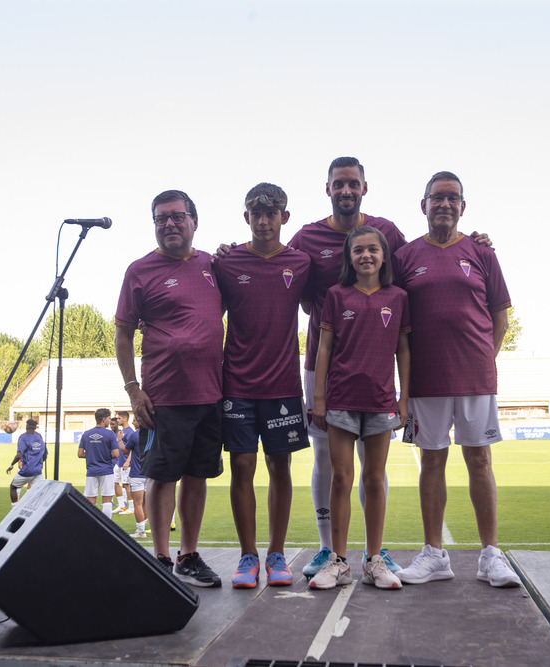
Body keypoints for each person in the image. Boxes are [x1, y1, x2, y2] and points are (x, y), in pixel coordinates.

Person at [393, 171, 521, 589]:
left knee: (480, 460)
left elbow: (501, 316)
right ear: (423, 205)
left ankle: (490, 555)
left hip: (475, 377)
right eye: (437, 197)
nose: (444, 204)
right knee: (431, 460)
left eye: (452, 198)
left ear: (463, 207)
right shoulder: (406, 256)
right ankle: (434, 554)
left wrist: (485, 358)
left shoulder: (481, 252)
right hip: (425, 380)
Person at [115, 189, 224, 588]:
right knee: (164, 477)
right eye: (161, 218)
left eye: (178, 216)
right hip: (164, 397)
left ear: (194, 221)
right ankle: (160, 558)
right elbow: (123, 333)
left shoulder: (214, 265)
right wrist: (132, 389)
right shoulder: (139, 271)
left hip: (211, 394)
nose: (170, 224)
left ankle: (188, 556)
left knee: (198, 476)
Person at [213, 183, 312, 588]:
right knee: (241, 466)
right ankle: (247, 556)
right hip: (236, 382)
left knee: (280, 467)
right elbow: (205, 314)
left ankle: (276, 553)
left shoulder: (302, 263)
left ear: (285, 217)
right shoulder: (227, 262)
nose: (264, 220)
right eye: (256, 212)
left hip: (284, 385)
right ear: (246, 217)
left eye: (272, 213)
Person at [308, 226, 410, 590]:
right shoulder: (336, 295)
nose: (366, 255)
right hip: (341, 401)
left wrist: (403, 398)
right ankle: (338, 561)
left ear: (384, 256)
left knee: (374, 480)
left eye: (373, 250)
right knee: (341, 478)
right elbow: (323, 349)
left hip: (381, 402)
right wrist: (319, 398)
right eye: (358, 251)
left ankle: (374, 559)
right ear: (349, 258)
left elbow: (404, 350)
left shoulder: (398, 297)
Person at [78, 409, 119, 515]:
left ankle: (91, 526)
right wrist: (105, 455)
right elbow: (116, 454)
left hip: (91, 471)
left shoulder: (86, 434)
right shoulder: (110, 434)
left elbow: (80, 454)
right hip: (106, 470)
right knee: (107, 501)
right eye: (109, 419)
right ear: (104, 419)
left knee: (91, 501)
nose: (110, 421)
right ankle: (107, 527)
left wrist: (92, 454)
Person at [6, 419, 47, 505]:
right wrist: (37, 463)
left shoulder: (23, 437)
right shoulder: (39, 437)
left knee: (13, 487)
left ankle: (14, 508)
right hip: (38, 472)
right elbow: (45, 455)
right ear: (35, 428)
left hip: (26, 471)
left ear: (26, 426)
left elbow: (19, 455)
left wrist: (11, 465)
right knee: (37, 493)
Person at [121, 416, 149, 538]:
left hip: (137, 474)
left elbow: (125, 451)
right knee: (146, 504)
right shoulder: (152, 435)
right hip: (150, 474)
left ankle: (140, 531)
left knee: (137, 504)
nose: (132, 422)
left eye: (135, 420)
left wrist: (119, 440)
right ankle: (143, 527)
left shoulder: (134, 435)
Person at [109, 416, 132, 513]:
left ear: (125, 419)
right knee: (115, 483)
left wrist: (127, 461)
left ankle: (132, 507)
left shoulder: (130, 432)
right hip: (118, 463)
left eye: (119, 418)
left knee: (126, 485)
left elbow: (132, 449)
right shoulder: (121, 432)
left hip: (125, 463)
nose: (118, 420)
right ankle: (122, 506)